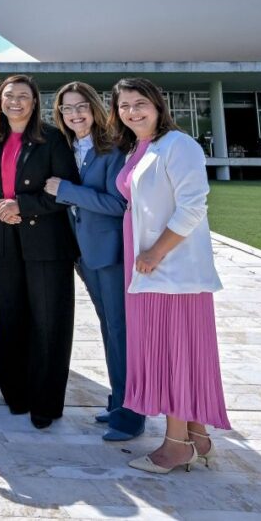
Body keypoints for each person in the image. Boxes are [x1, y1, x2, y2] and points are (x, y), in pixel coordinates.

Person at [111, 78, 229, 473]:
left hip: (168, 267)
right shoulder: (141, 147)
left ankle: (176, 444)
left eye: (140, 103)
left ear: (158, 105)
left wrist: (155, 253)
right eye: (124, 105)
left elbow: (193, 205)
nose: (132, 111)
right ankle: (198, 437)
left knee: (175, 352)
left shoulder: (180, 145)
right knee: (174, 350)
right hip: (147, 268)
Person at [0, 74, 80, 429]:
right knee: (9, 318)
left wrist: (22, 206)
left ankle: (46, 403)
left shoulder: (52, 139)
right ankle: (16, 394)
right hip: (1, 240)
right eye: (9, 96)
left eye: (23, 97)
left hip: (45, 242)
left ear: (34, 103)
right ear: (0, 100)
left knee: (49, 323)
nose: (15, 102)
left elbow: (65, 189)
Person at [45, 82, 142, 442]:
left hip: (110, 254)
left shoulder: (113, 147)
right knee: (109, 330)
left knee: (120, 331)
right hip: (85, 256)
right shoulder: (70, 148)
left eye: (80, 106)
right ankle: (119, 400)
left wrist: (66, 191)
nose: (74, 114)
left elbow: (118, 205)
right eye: (67, 109)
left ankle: (131, 415)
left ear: (95, 108)